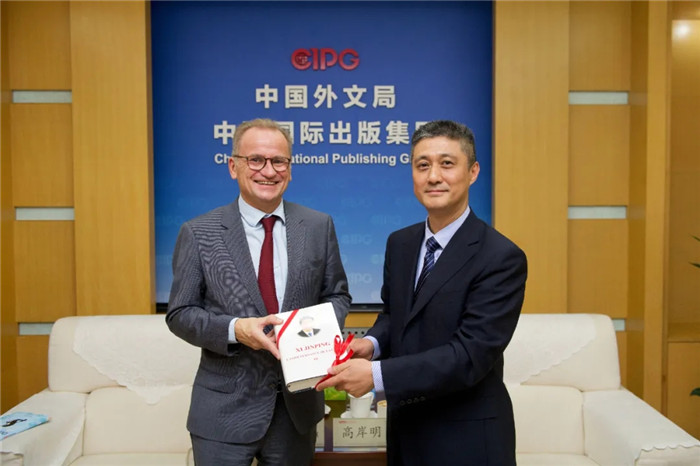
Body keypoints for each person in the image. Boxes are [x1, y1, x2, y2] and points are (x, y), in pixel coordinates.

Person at [317, 120, 527, 466]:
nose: (433, 176)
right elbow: (395, 315)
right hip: (406, 430)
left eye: (447, 163)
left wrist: (375, 376)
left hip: (467, 438)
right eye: (422, 165)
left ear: (473, 172)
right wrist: (371, 344)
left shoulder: (501, 257)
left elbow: (469, 356)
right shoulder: (400, 243)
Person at [167, 118, 351, 465]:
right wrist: (236, 330)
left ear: (290, 169)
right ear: (233, 166)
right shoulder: (199, 232)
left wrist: (313, 331)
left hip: (296, 407)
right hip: (224, 411)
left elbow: (337, 296)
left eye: (279, 161)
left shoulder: (317, 226)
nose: (268, 171)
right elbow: (180, 314)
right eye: (256, 160)